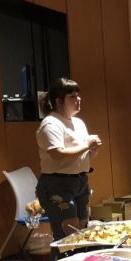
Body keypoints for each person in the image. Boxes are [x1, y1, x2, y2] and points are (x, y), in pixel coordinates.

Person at [35, 77, 101, 247]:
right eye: (72, 96)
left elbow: (81, 157)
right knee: (67, 238)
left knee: (82, 231)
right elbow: (58, 154)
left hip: (80, 181)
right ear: (59, 101)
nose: (78, 99)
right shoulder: (51, 123)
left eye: (78, 95)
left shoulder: (78, 122)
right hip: (58, 183)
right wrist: (87, 145)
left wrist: (92, 150)